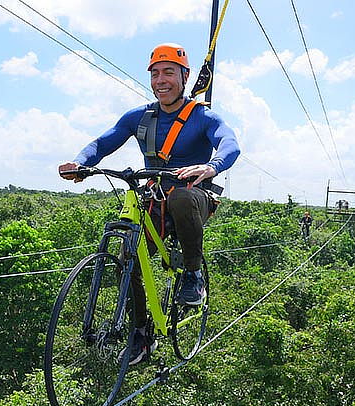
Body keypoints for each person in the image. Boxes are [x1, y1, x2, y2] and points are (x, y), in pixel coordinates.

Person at [58, 43, 240, 365]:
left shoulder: (201, 117)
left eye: (168, 72)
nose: (161, 80)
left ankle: (193, 275)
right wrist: (80, 162)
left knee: (182, 197)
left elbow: (229, 142)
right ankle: (141, 334)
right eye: (155, 74)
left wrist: (211, 166)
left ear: (184, 77)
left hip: (194, 195)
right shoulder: (139, 117)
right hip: (156, 198)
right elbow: (104, 141)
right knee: (129, 254)